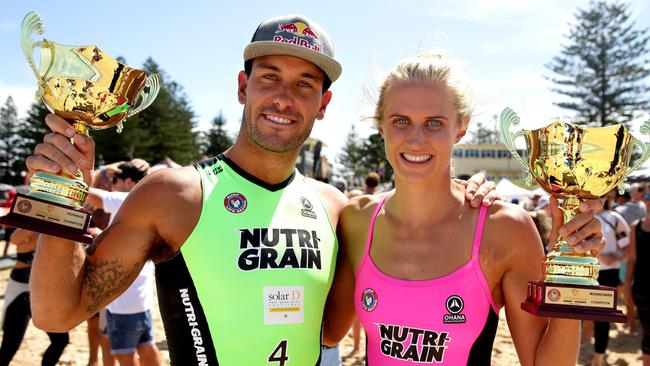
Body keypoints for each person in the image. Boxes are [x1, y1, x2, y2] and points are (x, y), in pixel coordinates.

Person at [26, 15, 497, 365]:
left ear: (323, 104)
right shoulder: (176, 194)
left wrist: (460, 192)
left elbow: (332, 331)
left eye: (304, 84)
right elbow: (55, 313)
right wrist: (60, 195)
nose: (284, 97)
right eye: (269, 76)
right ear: (242, 86)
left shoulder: (335, 208)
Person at [322, 53, 605, 365]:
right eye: (401, 121)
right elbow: (330, 333)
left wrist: (571, 274)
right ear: (381, 125)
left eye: (434, 123)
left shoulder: (505, 229)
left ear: (460, 128)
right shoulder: (356, 220)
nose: (416, 139)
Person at [86, 162, 162, 366]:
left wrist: (101, 170)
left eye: (115, 181)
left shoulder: (127, 199)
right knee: (146, 346)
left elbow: (83, 192)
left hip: (122, 299)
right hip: (139, 295)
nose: (112, 185)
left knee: (124, 354)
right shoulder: (148, 202)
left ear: (128, 182)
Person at [0, 228, 69, 366]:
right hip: (21, 289)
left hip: (44, 291)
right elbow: (14, 238)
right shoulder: (32, 227)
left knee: (60, 340)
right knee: (10, 346)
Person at [591, 196, 631, 366]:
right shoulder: (581, 216)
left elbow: (628, 243)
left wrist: (618, 259)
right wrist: (600, 255)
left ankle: (599, 357)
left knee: (602, 317)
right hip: (585, 272)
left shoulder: (613, 218)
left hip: (608, 274)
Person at [625, 185, 650, 366]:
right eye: (647, 195)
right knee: (648, 334)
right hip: (643, 289)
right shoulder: (636, 227)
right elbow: (632, 259)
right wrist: (627, 286)